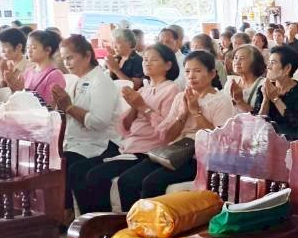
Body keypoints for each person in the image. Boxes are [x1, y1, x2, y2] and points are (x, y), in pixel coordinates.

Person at [113, 51, 235, 204]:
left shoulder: (220, 100)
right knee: (126, 180)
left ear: (212, 74)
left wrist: (196, 112)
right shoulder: (180, 97)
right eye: (187, 71)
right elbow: (167, 136)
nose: (191, 76)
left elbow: (219, 141)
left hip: (198, 158)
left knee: (151, 183)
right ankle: (131, 218)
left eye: (197, 71)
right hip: (174, 152)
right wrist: (182, 115)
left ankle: (152, 218)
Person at [73, 44, 182, 214]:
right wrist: (134, 106)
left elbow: (166, 131)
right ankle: (91, 223)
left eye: (153, 59)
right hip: (128, 145)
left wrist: (142, 106)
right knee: (78, 170)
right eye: (145, 59)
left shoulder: (172, 90)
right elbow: (126, 127)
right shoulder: (144, 89)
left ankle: (109, 224)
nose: (147, 63)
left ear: (168, 65)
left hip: (149, 149)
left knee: (97, 176)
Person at [51, 35, 118, 213]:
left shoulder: (101, 81)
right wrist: (61, 107)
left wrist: (69, 107)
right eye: (64, 59)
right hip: (76, 142)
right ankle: (62, 215)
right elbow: (69, 116)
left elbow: (99, 122)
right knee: (52, 160)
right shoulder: (77, 80)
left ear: (87, 55)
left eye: (70, 58)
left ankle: (87, 221)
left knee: (71, 167)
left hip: (100, 144)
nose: (67, 63)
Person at [255, 45, 298, 141]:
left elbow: (296, 123)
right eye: (269, 62)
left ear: (287, 68)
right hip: (268, 137)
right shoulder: (263, 89)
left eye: (273, 63)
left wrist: (276, 99)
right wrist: (266, 99)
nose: (268, 67)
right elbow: (258, 123)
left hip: (293, 139)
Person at [227, 43, 266, 112]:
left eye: (242, 58)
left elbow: (260, 116)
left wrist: (240, 101)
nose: (237, 62)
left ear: (254, 62)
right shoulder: (230, 81)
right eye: (235, 58)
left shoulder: (263, 85)